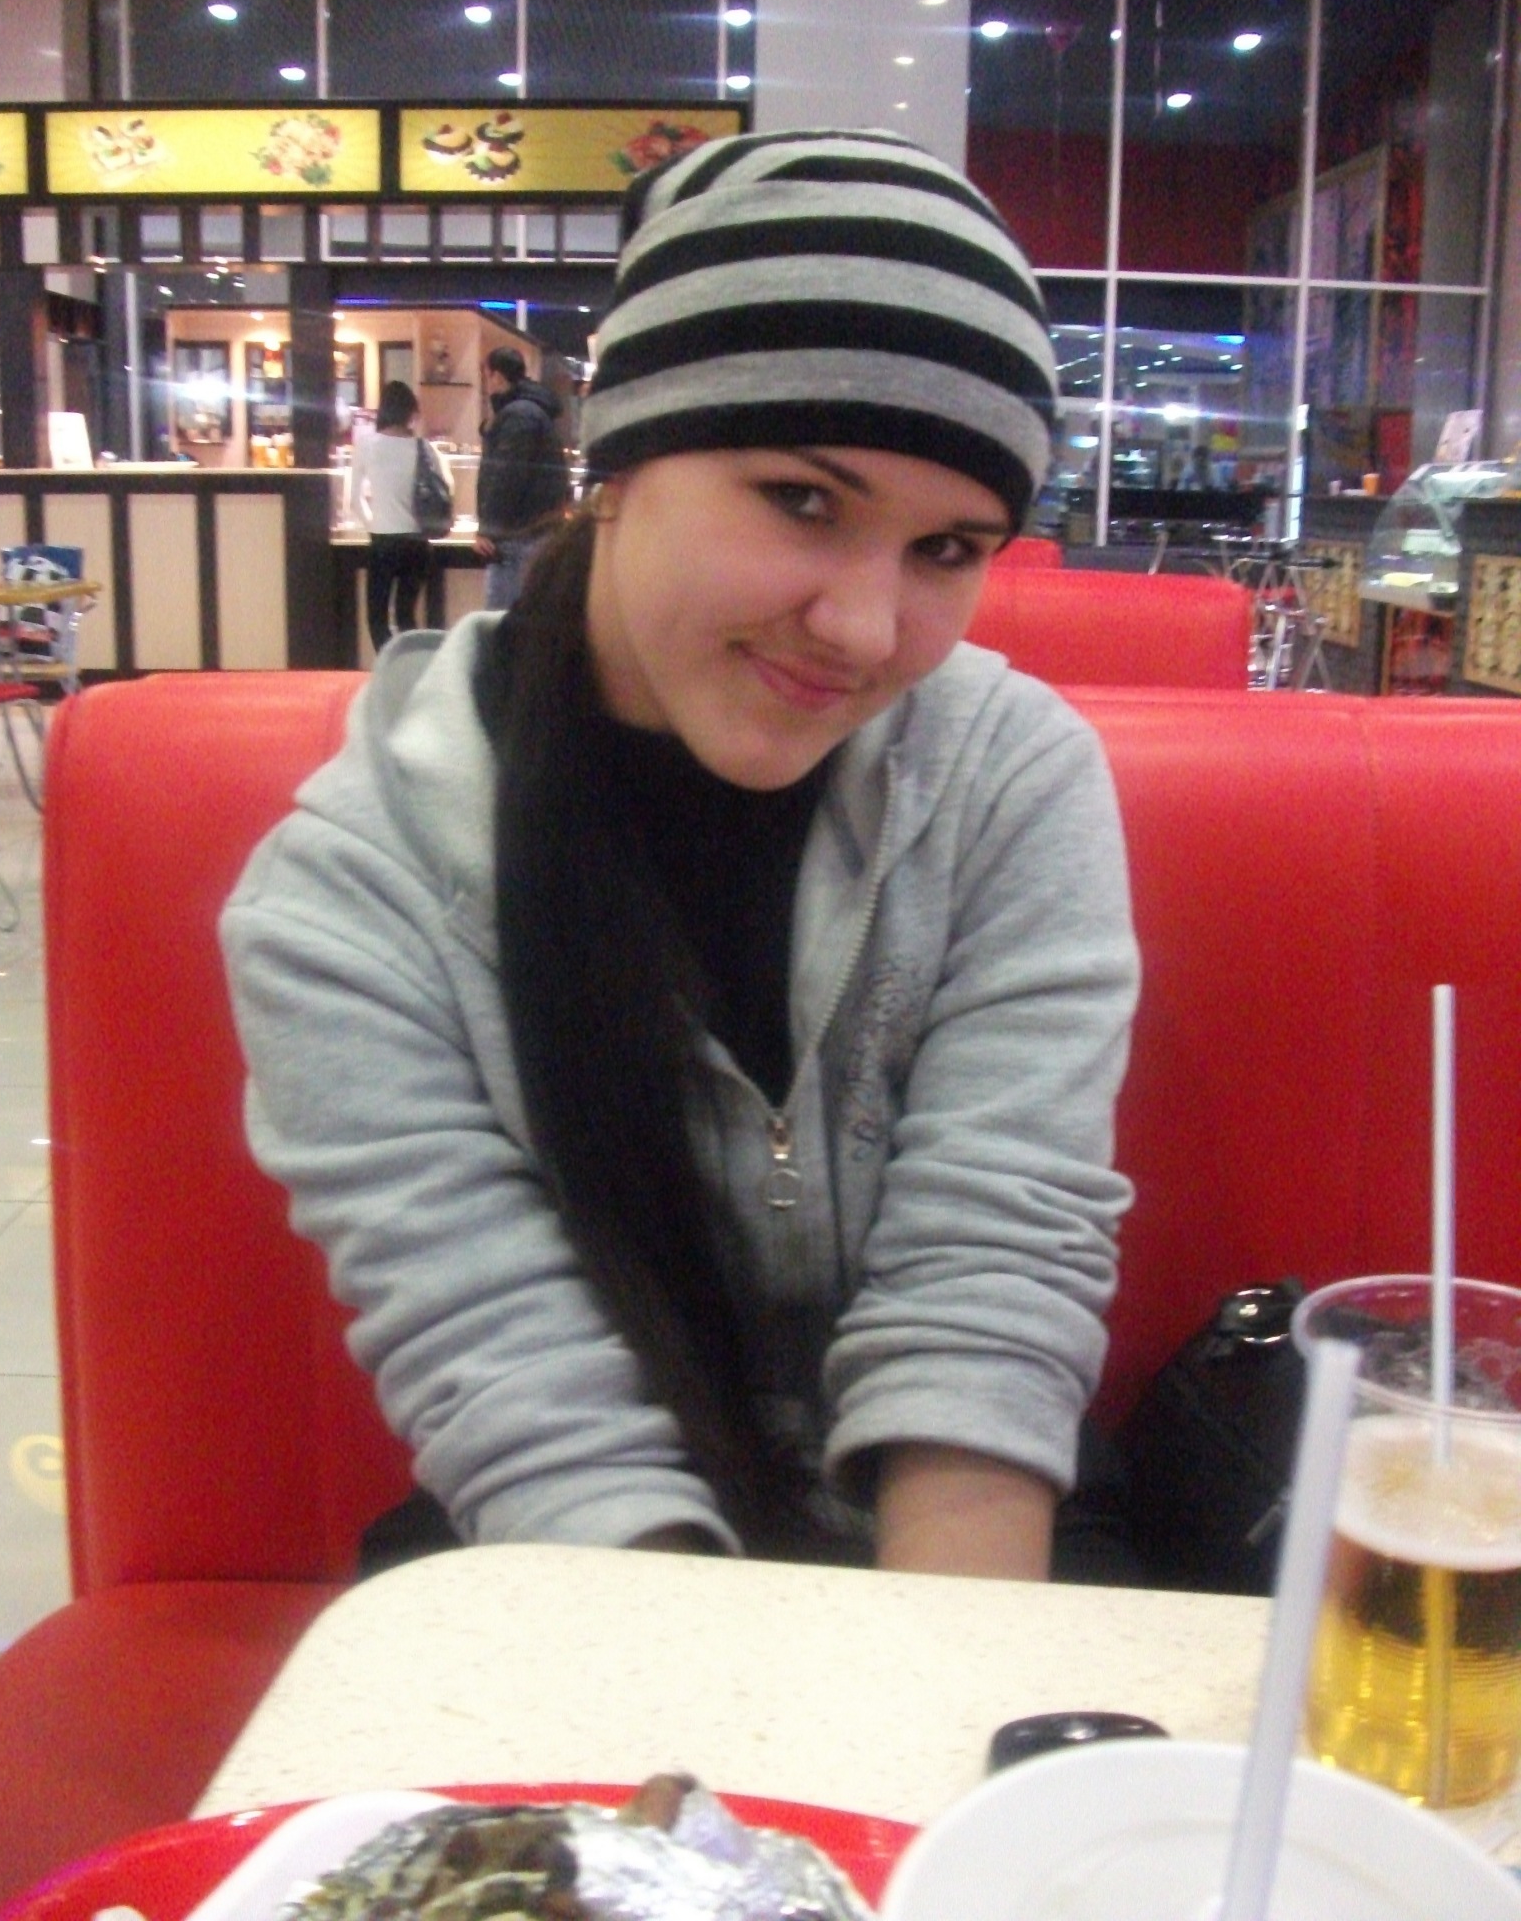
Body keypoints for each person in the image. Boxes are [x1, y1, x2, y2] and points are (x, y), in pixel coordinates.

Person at [222, 128, 1139, 1581]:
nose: (863, 627)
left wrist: (948, 1681)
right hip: (592, 1555)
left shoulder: (1003, 777)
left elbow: (994, 1261)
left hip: (948, 1521)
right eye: (803, 500)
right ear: (617, 464)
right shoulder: (355, 888)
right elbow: (515, 1380)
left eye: (948, 550)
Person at [349, 381, 448, 652]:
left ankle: (389, 667)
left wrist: (373, 524)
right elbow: (442, 490)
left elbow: (354, 500)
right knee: (406, 616)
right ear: (410, 413)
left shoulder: (367, 445)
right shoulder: (424, 449)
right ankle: (411, 668)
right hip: (417, 543)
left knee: (377, 617)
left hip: (383, 541)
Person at [474, 345, 570, 610]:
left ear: (497, 376)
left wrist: (488, 527)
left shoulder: (518, 416)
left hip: (517, 535)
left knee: (500, 621)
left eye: (486, 375)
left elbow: (506, 475)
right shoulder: (532, 411)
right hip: (536, 530)